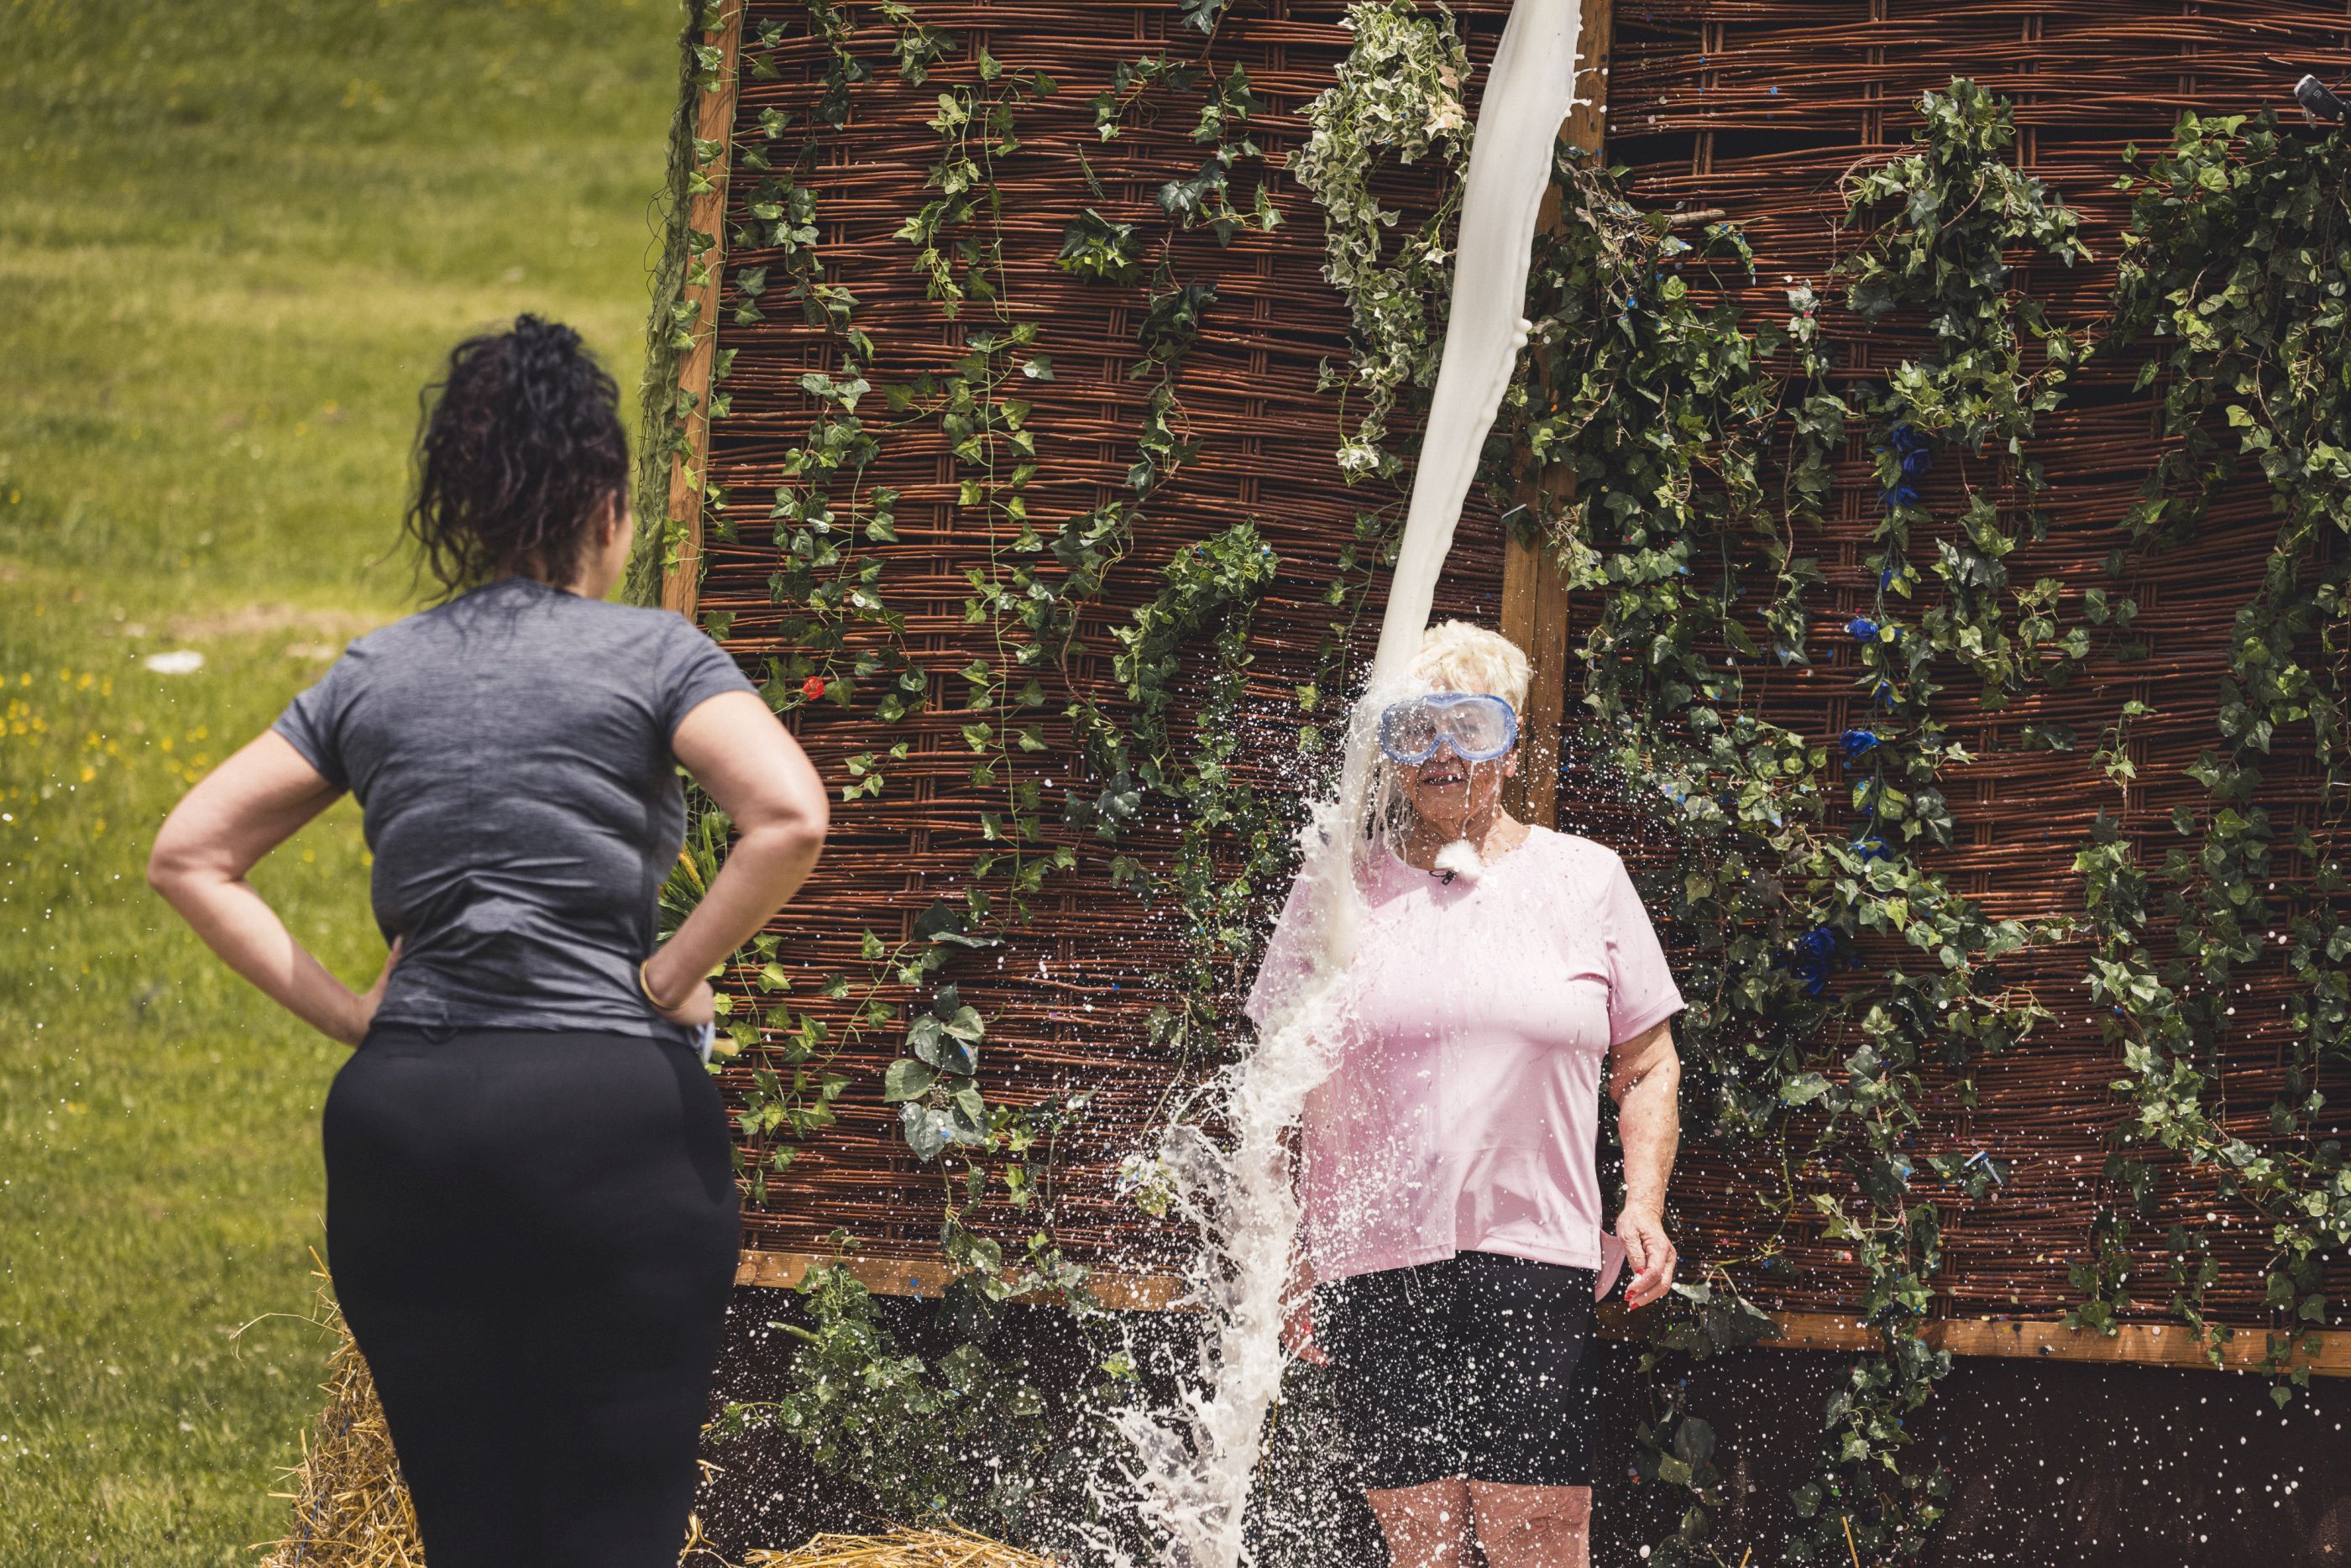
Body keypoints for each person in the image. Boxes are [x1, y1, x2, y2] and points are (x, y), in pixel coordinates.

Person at [147, 316, 829, 1567]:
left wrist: (358, 1016)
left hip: (408, 1126)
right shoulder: (656, 655)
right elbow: (787, 815)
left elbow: (191, 852)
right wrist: (670, 975)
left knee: (472, 1535)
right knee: (613, 1532)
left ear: (460, 505)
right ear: (609, 508)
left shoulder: (377, 671)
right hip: (609, 1119)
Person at [1249, 620, 1684, 1568]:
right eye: (1416, 728)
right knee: (1424, 1545)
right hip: (1372, 1256)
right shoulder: (1336, 889)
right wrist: (1283, 1250)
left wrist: (1643, 1202)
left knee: (1538, 1534)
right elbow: (1274, 1084)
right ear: (1390, 750)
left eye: (1472, 725)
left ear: (1513, 744)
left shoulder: (1586, 878)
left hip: (1534, 1248)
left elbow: (1648, 1061)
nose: (1443, 751)